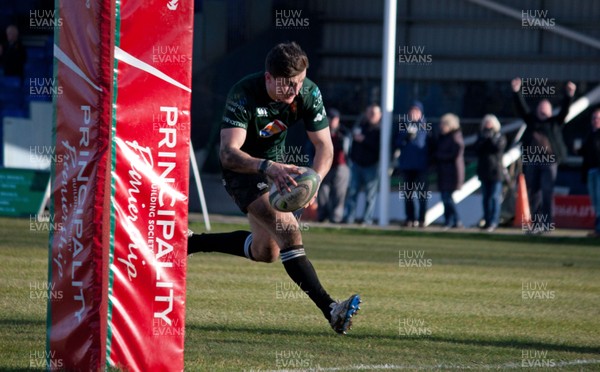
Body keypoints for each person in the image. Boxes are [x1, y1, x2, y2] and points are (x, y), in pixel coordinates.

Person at [187, 42, 361, 334]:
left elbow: (325, 147)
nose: (295, 91)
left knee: (265, 251)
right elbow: (228, 152)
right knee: (289, 233)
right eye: (288, 85)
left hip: (277, 168)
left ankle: (192, 243)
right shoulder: (244, 94)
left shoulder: (307, 92)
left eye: (300, 82)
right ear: (268, 78)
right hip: (243, 171)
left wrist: (314, 181)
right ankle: (331, 309)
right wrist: (268, 167)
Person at [511, 77, 576, 232]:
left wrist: (569, 95)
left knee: (547, 192)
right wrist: (516, 91)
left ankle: (547, 223)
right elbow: (521, 108)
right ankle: (536, 223)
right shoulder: (532, 121)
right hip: (533, 160)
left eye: (546, 108)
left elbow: (565, 111)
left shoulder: (554, 123)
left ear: (549, 110)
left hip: (549, 161)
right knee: (534, 192)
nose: (543, 111)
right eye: (541, 108)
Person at [342, 103, 381, 225]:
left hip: (371, 166)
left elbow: (379, 147)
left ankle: (367, 220)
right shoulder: (360, 125)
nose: (370, 116)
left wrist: (364, 140)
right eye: (369, 113)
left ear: (380, 115)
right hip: (356, 165)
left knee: (370, 196)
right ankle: (349, 218)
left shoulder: (381, 130)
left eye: (373, 113)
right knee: (352, 193)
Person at [396, 100, 430, 228]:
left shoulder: (426, 127)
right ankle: (410, 218)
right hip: (407, 166)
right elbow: (397, 143)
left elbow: (430, 145)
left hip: (422, 167)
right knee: (408, 195)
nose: (413, 113)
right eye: (412, 110)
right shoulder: (403, 126)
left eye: (416, 111)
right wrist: (406, 137)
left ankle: (422, 220)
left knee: (422, 195)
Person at [474, 114, 506, 232]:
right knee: (486, 198)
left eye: (490, 123)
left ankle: (494, 221)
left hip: (496, 171)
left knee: (494, 197)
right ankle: (487, 221)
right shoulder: (481, 136)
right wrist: (483, 139)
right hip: (484, 171)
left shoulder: (500, 136)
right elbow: (476, 149)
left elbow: (497, 148)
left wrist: (490, 138)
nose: (488, 126)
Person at [317, 108, 350, 223]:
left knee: (339, 193)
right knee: (322, 192)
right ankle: (322, 216)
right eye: (330, 118)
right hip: (324, 165)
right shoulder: (320, 131)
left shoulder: (344, 132)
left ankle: (336, 217)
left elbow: (347, 150)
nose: (332, 121)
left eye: (334, 119)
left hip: (340, 166)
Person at [434, 113, 464, 229]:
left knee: (447, 198)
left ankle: (456, 220)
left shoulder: (455, 137)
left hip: (451, 174)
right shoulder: (442, 137)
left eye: (443, 124)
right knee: (445, 198)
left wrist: (440, 156)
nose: (441, 127)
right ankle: (449, 221)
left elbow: (455, 154)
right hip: (443, 173)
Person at [580, 108, 600, 238]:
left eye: (598, 118)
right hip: (591, 170)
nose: (595, 120)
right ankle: (598, 229)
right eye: (593, 118)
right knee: (595, 201)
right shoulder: (589, 134)